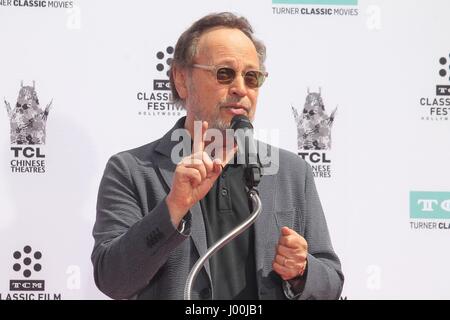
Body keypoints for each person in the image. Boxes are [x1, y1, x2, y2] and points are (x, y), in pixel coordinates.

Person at [91, 12, 344, 300]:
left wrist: (301, 271)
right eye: (224, 73)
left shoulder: (291, 172)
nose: (240, 88)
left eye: (252, 77)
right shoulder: (132, 170)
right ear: (181, 79)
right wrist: (172, 209)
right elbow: (112, 279)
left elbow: (331, 283)